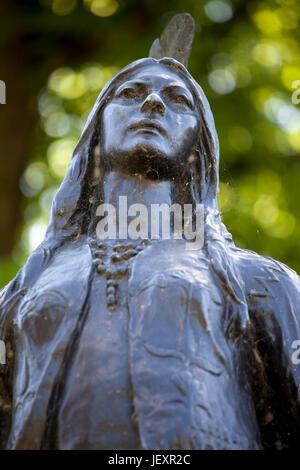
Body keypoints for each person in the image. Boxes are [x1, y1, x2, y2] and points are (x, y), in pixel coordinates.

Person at [0, 45, 299, 451]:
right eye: (129, 94)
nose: (153, 102)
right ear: (96, 134)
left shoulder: (261, 284)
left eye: (179, 100)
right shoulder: (19, 294)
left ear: (198, 151)